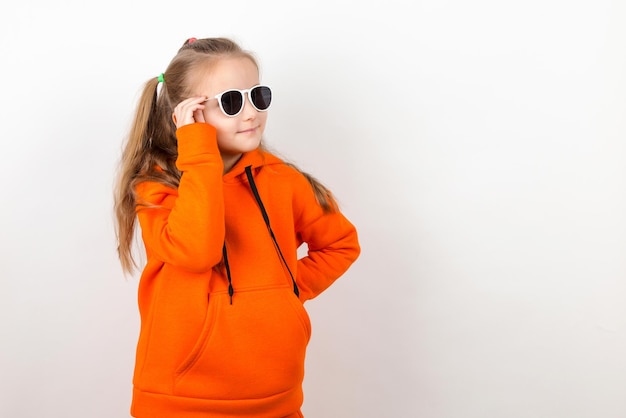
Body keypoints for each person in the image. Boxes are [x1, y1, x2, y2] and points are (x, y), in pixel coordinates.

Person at [113, 37, 360, 418]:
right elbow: (197, 253)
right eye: (231, 101)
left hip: (275, 396)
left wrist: (285, 290)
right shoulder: (158, 186)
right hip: (180, 399)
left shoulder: (283, 181)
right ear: (187, 113)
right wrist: (197, 152)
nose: (251, 114)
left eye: (258, 95)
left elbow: (341, 244)